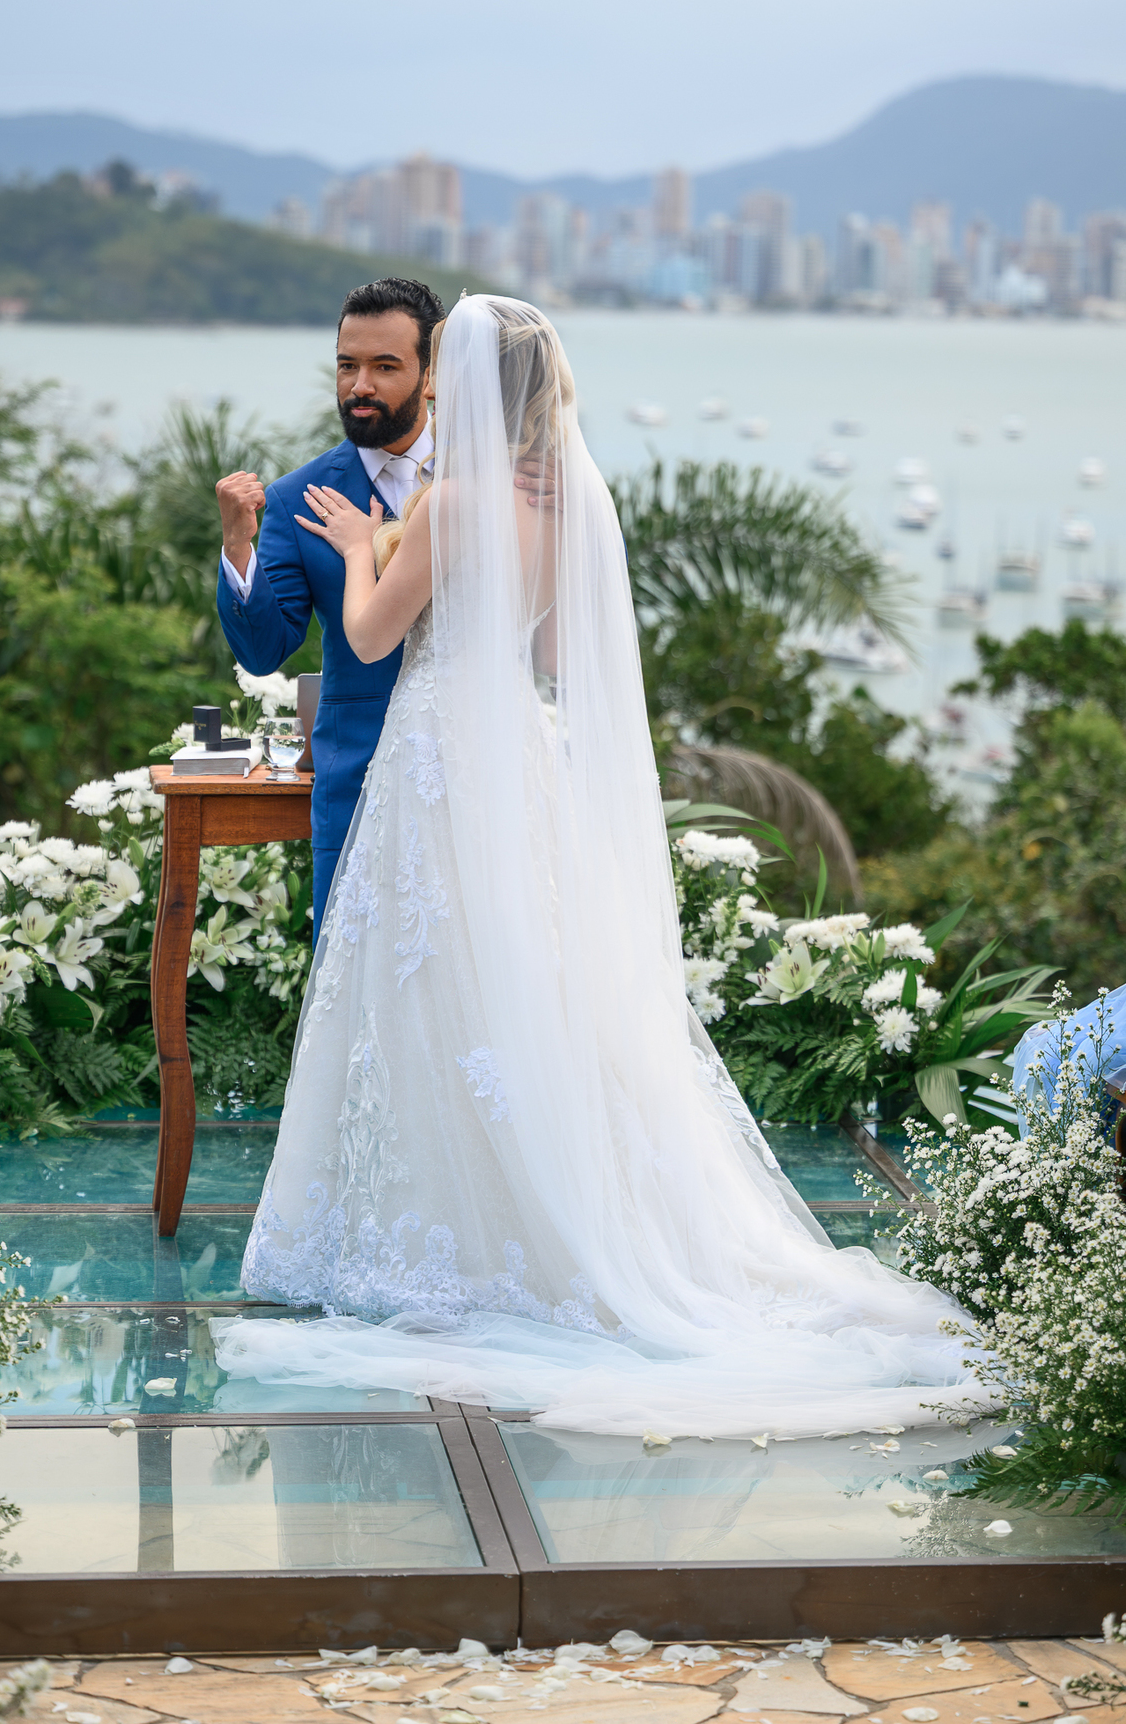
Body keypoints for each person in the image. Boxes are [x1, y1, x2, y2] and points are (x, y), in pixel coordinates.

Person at [212, 296, 989, 1439]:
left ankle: (450, 1233)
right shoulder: (563, 503)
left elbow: (371, 636)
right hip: (517, 756)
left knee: (428, 995)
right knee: (525, 987)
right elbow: (551, 653)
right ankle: (527, 1218)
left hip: (436, 759)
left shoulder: (450, 502)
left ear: (465, 385)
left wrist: (361, 550)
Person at [216, 277, 445, 942]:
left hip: (477, 770)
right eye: (347, 365)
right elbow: (264, 650)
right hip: (357, 782)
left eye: (385, 367)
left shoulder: (491, 478)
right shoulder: (298, 497)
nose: (359, 386)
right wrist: (237, 545)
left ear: (431, 375)